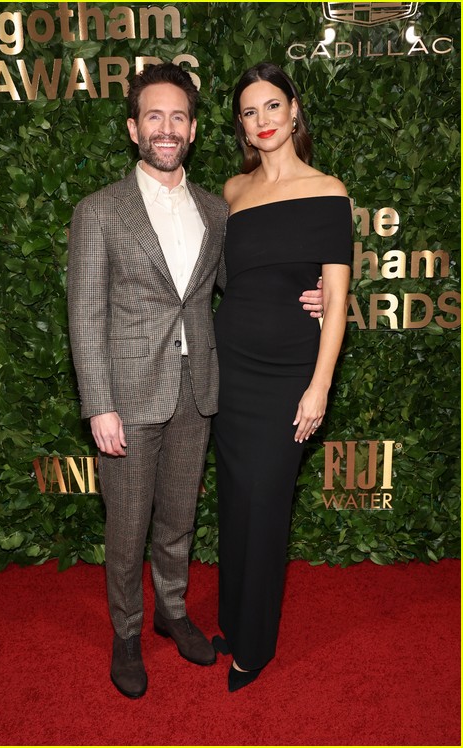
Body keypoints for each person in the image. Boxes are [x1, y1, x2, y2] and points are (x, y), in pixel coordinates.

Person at [67, 62, 324, 699]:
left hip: (201, 391)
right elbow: (84, 313)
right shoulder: (99, 211)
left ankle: (172, 612)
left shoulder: (217, 208)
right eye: (153, 116)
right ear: (133, 128)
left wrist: (312, 292)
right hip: (128, 397)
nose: (165, 127)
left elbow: (245, 285)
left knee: (178, 518)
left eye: (177, 116)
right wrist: (98, 404)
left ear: (193, 129)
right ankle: (127, 632)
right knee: (127, 524)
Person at [212, 62, 352, 692]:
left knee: (267, 506)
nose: (262, 121)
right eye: (249, 112)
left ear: (295, 110)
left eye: (272, 106)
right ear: (241, 126)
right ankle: (234, 624)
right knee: (237, 502)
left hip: (289, 375)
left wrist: (318, 386)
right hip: (230, 370)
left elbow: (338, 301)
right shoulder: (231, 193)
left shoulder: (329, 190)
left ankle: (256, 649)